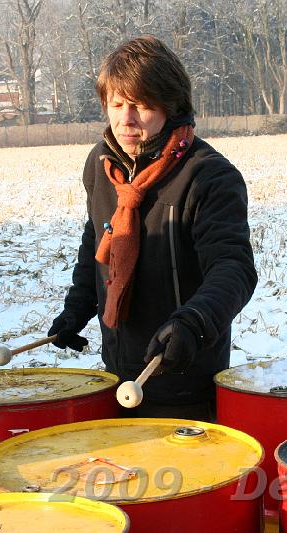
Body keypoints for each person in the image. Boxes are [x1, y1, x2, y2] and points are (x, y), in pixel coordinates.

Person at [48, 35, 256, 421]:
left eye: (141, 106)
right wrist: (78, 307)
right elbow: (97, 237)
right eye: (116, 104)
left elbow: (234, 268)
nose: (126, 120)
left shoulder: (209, 176)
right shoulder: (101, 164)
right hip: (119, 372)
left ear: (171, 105)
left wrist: (194, 323)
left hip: (184, 374)